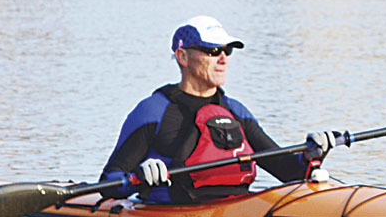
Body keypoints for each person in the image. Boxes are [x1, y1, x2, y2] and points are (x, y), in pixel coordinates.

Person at [100, 15, 337, 203]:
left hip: (235, 211)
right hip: (173, 215)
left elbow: (287, 172)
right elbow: (109, 182)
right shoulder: (153, 111)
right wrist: (140, 176)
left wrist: (312, 155)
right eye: (213, 51)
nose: (223, 59)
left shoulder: (236, 111)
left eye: (227, 51)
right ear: (183, 56)